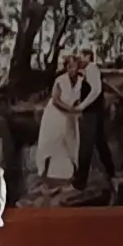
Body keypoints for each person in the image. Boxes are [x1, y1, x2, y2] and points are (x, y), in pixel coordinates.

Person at [31, 47, 96, 192]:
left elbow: (81, 98)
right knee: (52, 141)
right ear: (66, 67)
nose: (73, 69)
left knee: (71, 142)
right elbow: (55, 100)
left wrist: (77, 109)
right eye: (70, 66)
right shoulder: (60, 80)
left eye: (75, 66)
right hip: (55, 114)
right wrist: (69, 108)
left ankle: (71, 174)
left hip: (70, 115)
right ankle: (45, 173)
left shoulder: (80, 80)